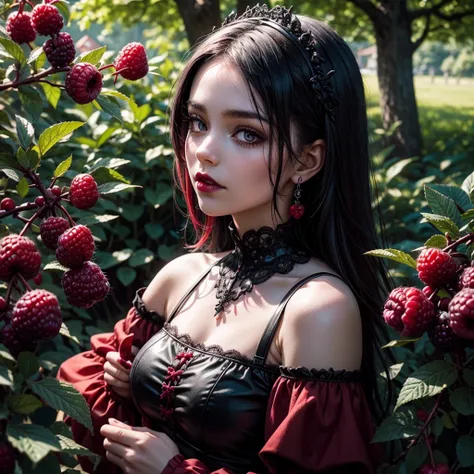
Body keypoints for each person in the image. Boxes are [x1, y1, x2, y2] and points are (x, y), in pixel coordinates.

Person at [57, 4, 393, 473]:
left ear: (308, 160)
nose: (205, 152)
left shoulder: (318, 310)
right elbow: (78, 389)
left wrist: (172, 471)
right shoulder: (183, 276)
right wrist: (131, 391)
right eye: (197, 122)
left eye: (247, 134)